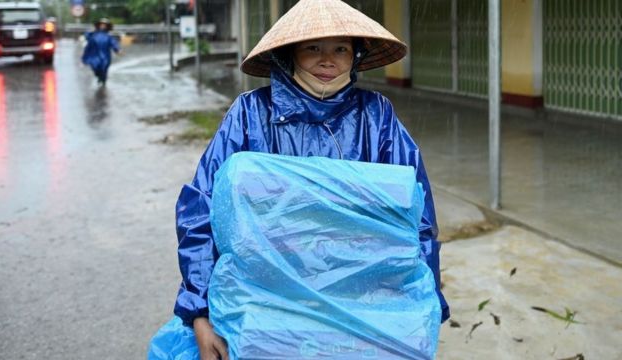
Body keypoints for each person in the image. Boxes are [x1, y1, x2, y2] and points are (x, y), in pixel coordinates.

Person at [173, 0, 449, 358]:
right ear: (289, 54)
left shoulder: (377, 116)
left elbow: (416, 219)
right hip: (263, 303)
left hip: (357, 303)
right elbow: (201, 210)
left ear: (356, 57)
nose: (327, 60)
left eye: (341, 49)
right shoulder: (250, 113)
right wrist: (200, 311)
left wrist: (424, 300)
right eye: (312, 48)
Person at [81, 18, 120, 86]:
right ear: (98, 25)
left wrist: (117, 50)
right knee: (94, 67)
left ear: (107, 26)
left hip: (105, 56)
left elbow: (114, 43)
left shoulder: (108, 36)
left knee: (104, 68)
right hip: (94, 55)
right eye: (101, 25)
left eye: (104, 25)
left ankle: (103, 81)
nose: (103, 26)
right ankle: (99, 77)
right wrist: (92, 31)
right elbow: (86, 35)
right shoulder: (93, 35)